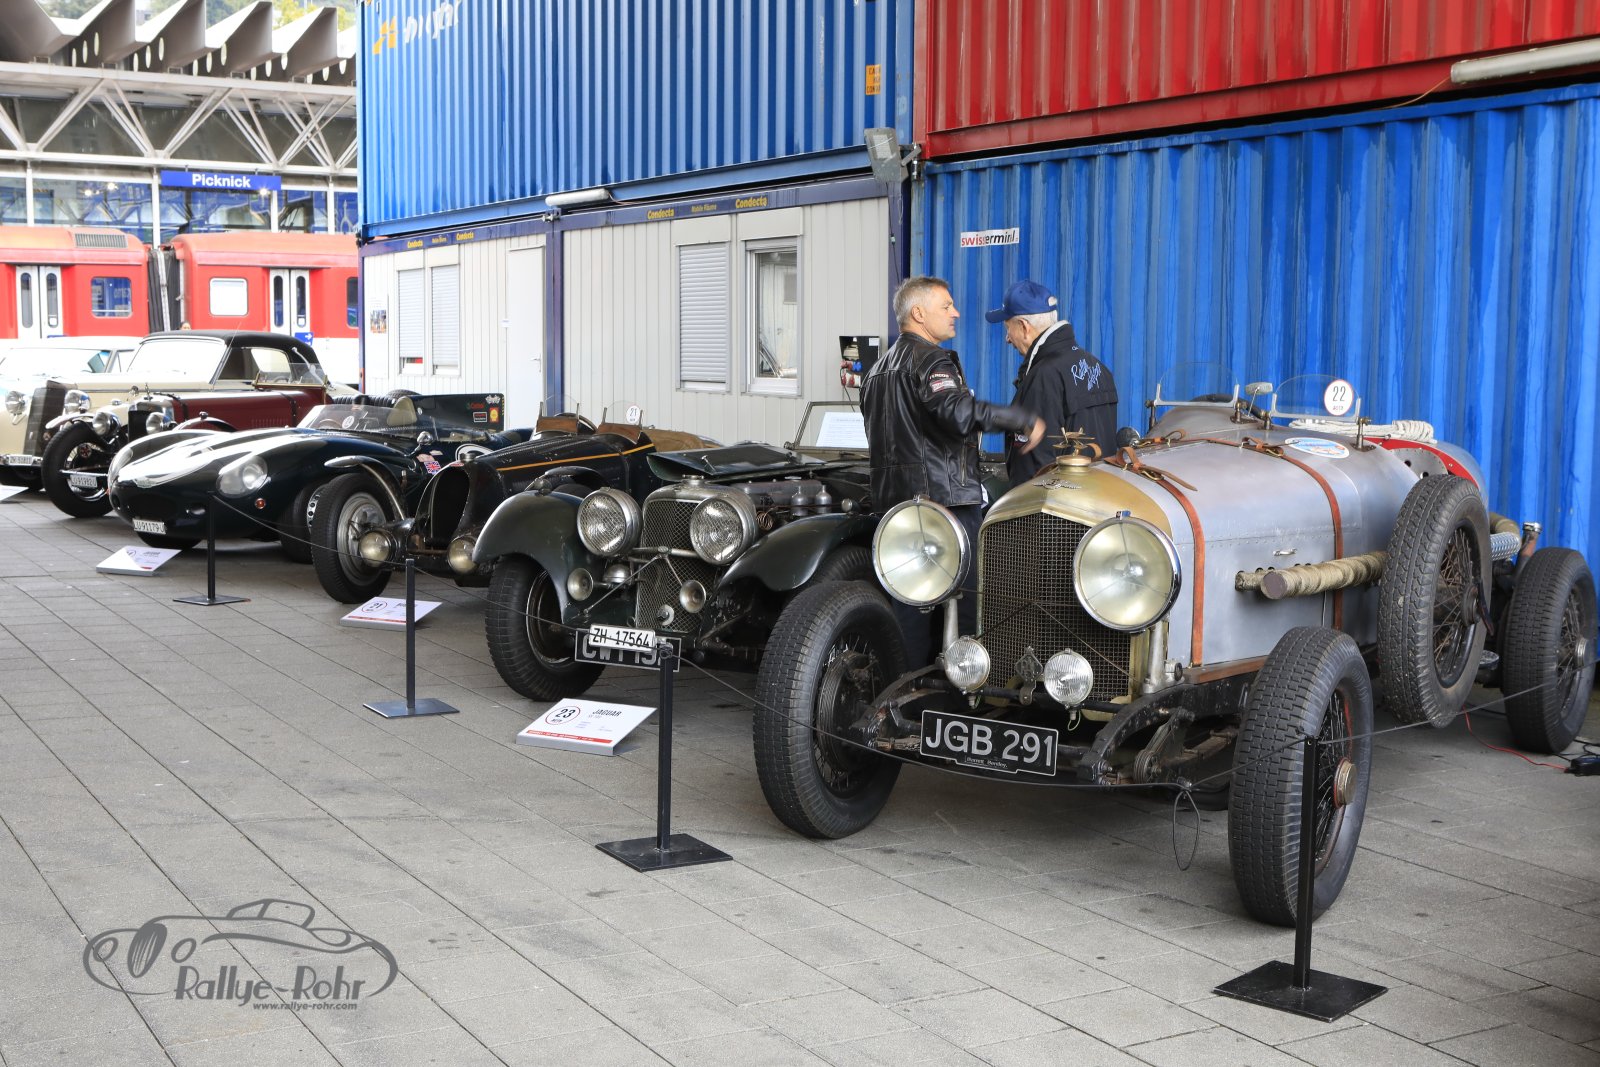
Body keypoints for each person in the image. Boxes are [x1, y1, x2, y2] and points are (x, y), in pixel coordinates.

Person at [862, 276, 1045, 662]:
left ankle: (907, 686)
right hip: (945, 504)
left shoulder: (875, 371)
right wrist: (1020, 418)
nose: (956, 313)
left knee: (910, 602)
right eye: (946, 306)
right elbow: (958, 412)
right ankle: (965, 686)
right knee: (966, 602)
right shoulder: (931, 360)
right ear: (918, 313)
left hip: (895, 508)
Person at [985, 279, 1118, 485]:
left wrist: (1023, 502)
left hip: (1056, 503)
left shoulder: (1043, 378)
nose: (1007, 339)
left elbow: (1033, 468)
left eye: (1007, 328)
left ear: (1024, 327)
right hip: (1099, 497)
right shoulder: (1099, 368)